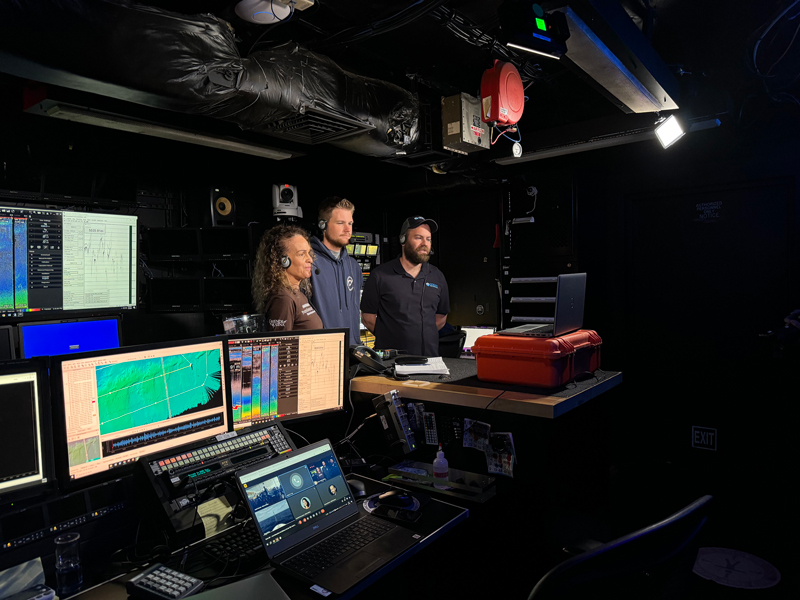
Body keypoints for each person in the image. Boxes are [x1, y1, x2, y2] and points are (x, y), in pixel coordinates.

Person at [361, 215, 450, 356]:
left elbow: (440, 318)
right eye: (418, 238)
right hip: (391, 362)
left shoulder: (437, 276)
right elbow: (367, 318)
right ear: (403, 240)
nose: (424, 243)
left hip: (429, 360)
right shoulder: (380, 275)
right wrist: (392, 338)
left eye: (428, 239)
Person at [309, 197, 363, 346]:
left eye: (350, 223)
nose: (348, 229)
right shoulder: (308, 262)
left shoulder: (354, 266)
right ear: (322, 225)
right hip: (321, 353)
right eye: (340, 223)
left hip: (352, 353)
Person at [252, 224, 323, 332]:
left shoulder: (297, 294)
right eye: (301, 254)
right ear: (284, 261)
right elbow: (280, 346)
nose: (310, 259)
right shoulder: (284, 299)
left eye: (308, 253)